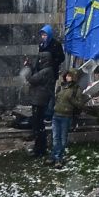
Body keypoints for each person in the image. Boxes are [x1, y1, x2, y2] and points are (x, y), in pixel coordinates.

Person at [25, 25, 63, 157]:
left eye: (45, 35)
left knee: (38, 122)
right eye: (42, 35)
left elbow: (33, 78)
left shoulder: (55, 46)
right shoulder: (42, 46)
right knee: (38, 122)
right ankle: (40, 147)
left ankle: (49, 114)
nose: (43, 37)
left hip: (44, 85)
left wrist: (30, 71)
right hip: (42, 86)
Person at [50, 69, 88, 165]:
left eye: (70, 76)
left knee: (62, 138)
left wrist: (71, 100)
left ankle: (58, 158)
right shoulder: (61, 87)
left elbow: (80, 104)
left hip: (66, 116)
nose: (67, 77)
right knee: (55, 137)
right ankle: (54, 156)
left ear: (74, 77)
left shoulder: (76, 89)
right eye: (66, 75)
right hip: (56, 115)